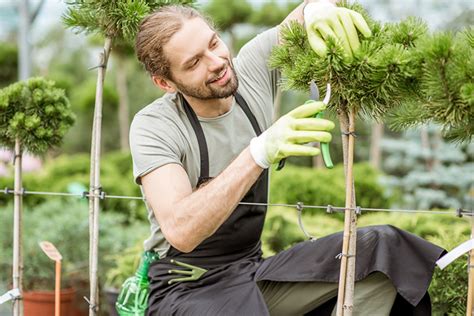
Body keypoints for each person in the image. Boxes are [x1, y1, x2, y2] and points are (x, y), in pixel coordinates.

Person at [130, 2, 445, 315]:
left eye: (214, 43)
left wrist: (316, 11)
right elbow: (181, 231)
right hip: (184, 289)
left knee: (382, 251)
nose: (216, 62)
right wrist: (258, 153)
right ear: (165, 82)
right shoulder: (155, 126)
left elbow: (302, 16)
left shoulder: (250, 69)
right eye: (194, 62)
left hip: (249, 271)